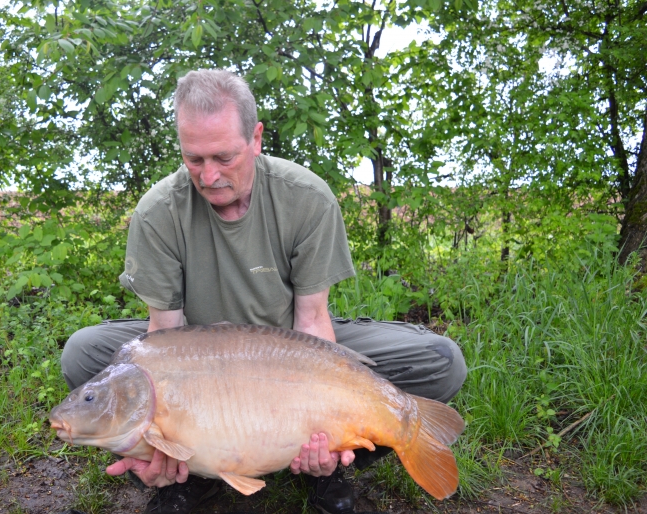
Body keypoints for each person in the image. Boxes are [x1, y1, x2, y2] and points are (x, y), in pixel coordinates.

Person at [60, 69, 466, 514]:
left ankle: (328, 466)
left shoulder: (306, 197)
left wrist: (324, 436)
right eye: (193, 159)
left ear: (255, 138)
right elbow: (164, 335)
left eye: (223, 157)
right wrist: (158, 442)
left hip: (292, 347)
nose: (208, 175)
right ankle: (190, 472)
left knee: (441, 362)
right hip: (203, 359)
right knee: (85, 354)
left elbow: (312, 322)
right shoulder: (159, 211)